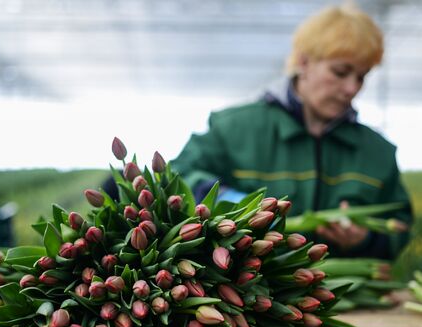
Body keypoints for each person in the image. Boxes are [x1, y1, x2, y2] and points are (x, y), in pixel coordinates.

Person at [171, 5, 412, 260]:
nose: (352, 88)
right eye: (340, 72)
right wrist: (235, 204)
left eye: (361, 77)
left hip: (342, 293)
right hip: (255, 290)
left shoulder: (377, 152)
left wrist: (366, 240)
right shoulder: (236, 128)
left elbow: (400, 225)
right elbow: (180, 176)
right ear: (304, 61)